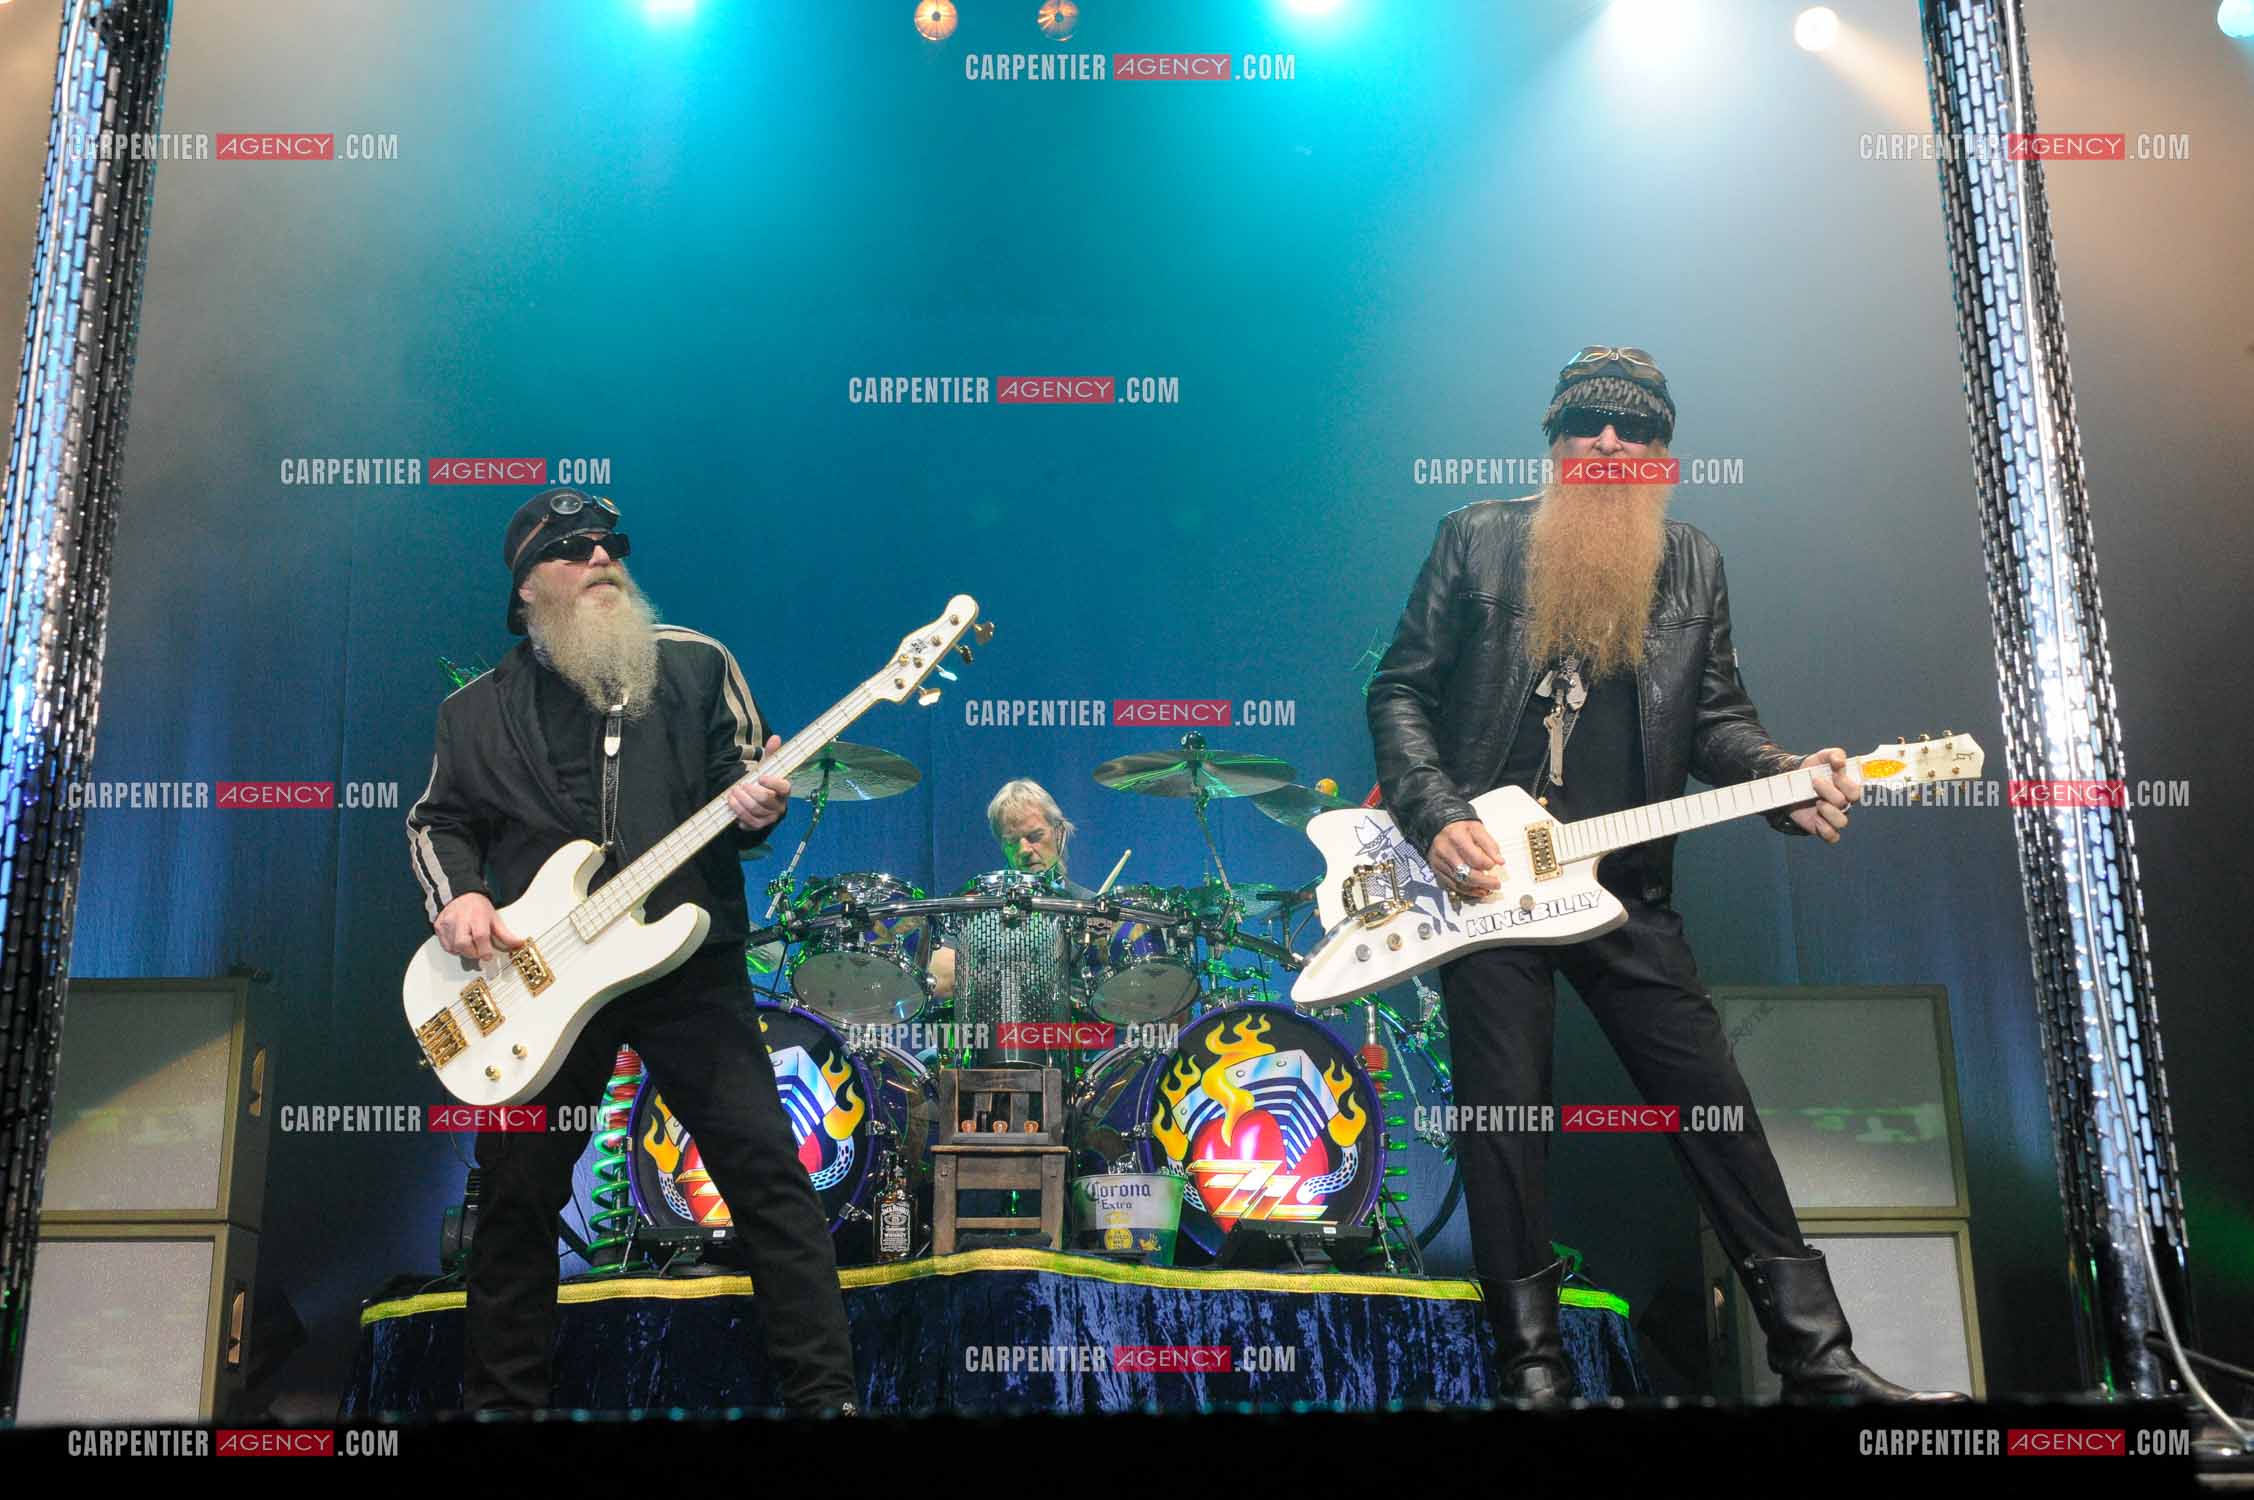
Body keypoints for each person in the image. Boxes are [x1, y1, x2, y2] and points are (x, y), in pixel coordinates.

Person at [1366, 348, 1964, 1405]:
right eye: (1587, 422)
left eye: (1633, 428)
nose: (1607, 441)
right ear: (1553, 440)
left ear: (1661, 457)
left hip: (1625, 886)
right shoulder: (1474, 538)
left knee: (1714, 1106)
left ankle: (1816, 1362)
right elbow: (1400, 691)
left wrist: (1783, 777)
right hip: (1486, 883)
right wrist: (1436, 814)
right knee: (1505, 1118)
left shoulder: (1692, 563)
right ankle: (1531, 1371)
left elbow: (1718, 720)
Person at [405, 487, 859, 1415]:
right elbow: (437, 822)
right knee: (516, 1197)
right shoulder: (475, 714)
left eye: (611, 545)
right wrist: (462, 901)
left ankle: (826, 1400)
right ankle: (503, 1406)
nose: (603, 560)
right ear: (529, 587)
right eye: (575, 551)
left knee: (769, 1177)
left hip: (686, 965)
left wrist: (759, 802)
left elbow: (742, 780)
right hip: (537, 983)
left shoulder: (696, 664)